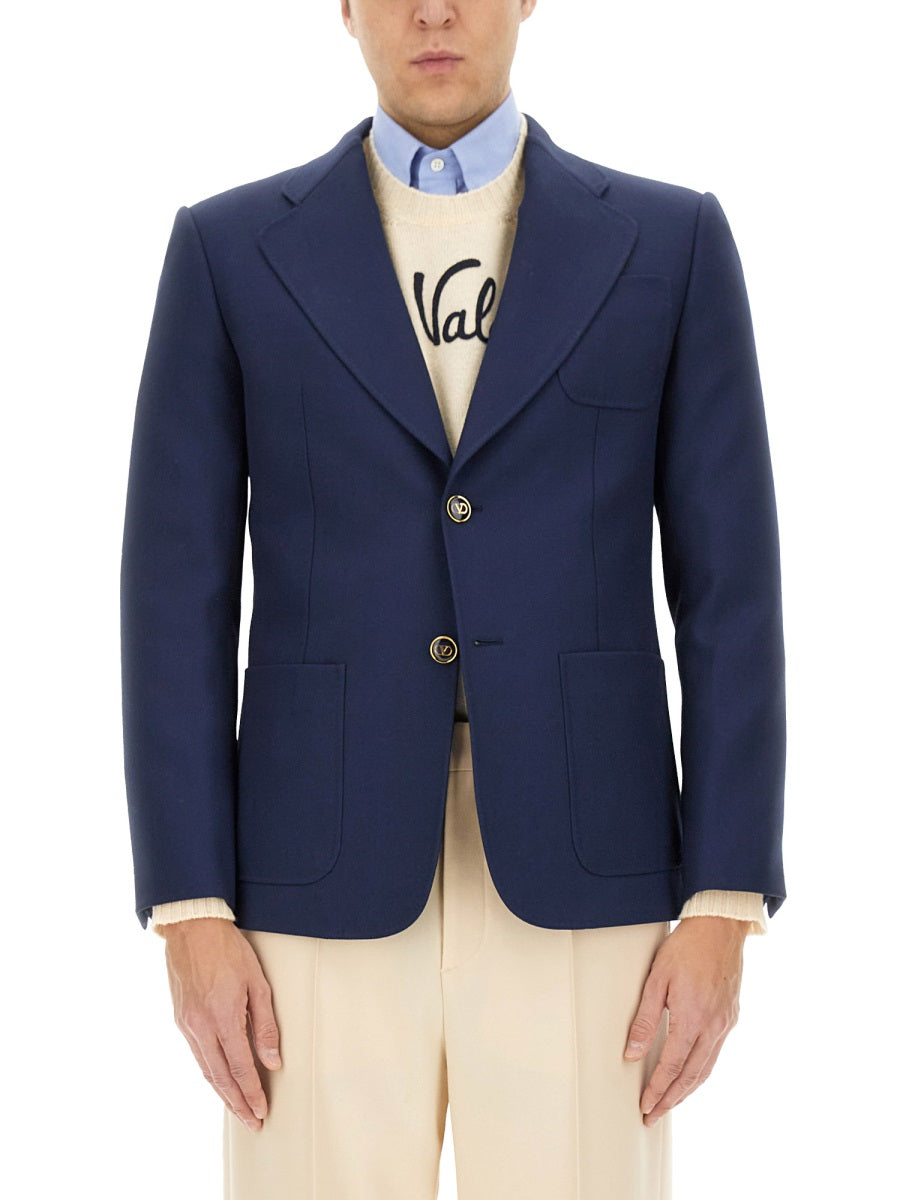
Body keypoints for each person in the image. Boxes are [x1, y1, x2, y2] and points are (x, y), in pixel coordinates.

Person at [120, 2, 786, 1196]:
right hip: (311, 870)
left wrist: (725, 897)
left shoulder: (666, 244)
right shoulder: (230, 253)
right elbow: (175, 595)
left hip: (589, 868)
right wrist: (190, 904)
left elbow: (731, 590)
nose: (434, 10)